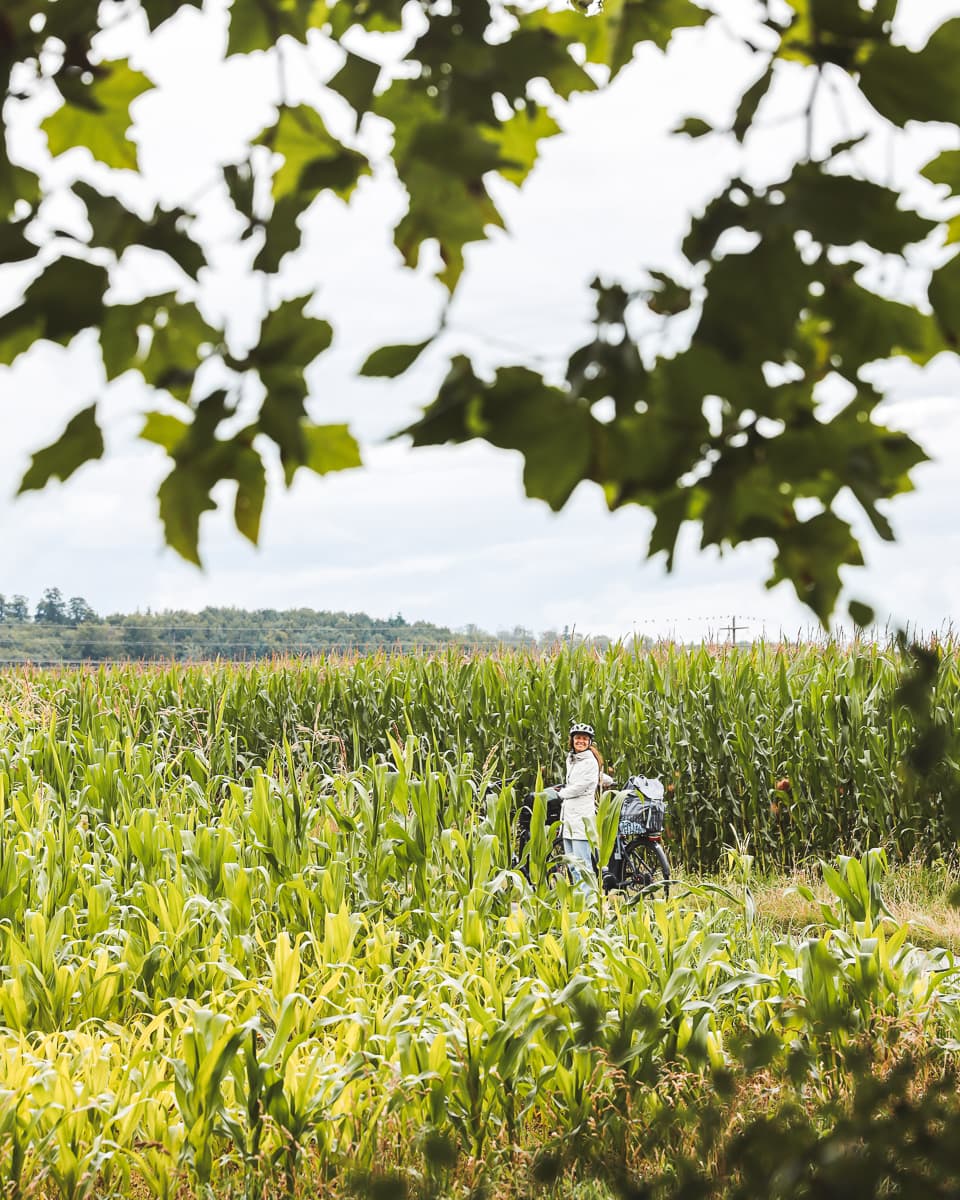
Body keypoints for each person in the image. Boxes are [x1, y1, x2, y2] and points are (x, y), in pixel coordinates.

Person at [516, 720, 613, 890]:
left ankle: (589, 905)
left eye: (584, 739)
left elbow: (581, 786)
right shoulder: (572, 759)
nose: (580, 741)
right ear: (572, 740)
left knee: (583, 868)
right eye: (577, 738)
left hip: (582, 820)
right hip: (568, 819)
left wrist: (560, 794)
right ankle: (579, 904)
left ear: (589, 742)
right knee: (572, 866)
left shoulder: (589, 761)